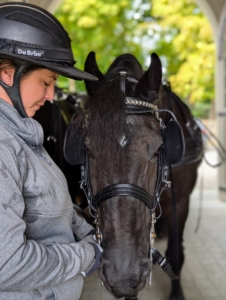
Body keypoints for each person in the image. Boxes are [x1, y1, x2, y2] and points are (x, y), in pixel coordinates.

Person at [0, 2, 102, 300]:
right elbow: (7, 264)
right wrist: (85, 256)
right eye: (46, 82)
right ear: (8, 73)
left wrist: (89, 233)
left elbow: (48, 205)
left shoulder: (21, 133)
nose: (49, 96)